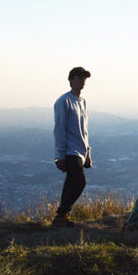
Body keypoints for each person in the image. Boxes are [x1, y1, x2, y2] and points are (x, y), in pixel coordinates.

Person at [52, 66, 92, 227]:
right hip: (69, 151)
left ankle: (62, 217)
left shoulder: (82, 102)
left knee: (71, 183)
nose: (82, 81)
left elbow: (84, 130)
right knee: (79, 181)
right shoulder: (64, 101)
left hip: (80, 151)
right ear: (71, 79)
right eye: (78, 77)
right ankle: (61, 213)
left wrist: (88, 153)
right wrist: (60, 155)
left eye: (84, 78)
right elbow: (59, 129)